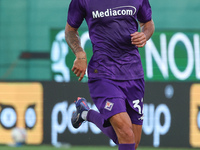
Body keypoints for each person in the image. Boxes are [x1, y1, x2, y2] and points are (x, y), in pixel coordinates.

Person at [65, 0, 155, 149]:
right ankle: (86, 113)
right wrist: (80, 53)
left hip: (133, 73)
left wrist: (144, 35)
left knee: (133, 141)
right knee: (126, 133)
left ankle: (85, 113)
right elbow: (70, 30)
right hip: (103, 73)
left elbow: (148, 23)